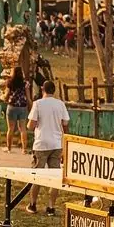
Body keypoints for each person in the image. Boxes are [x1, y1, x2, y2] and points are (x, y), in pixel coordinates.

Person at [26, 80, 69, 215]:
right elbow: (65, 122)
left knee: (36, 175)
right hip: (56, 144)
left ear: (42, 89)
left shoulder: (38, 104)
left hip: (41, 143)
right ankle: (50, 206)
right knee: (55, 175)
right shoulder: (60, 104)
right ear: (54, 90)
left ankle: (33, 204)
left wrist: (36, 124)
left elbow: (30, 125)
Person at [4, 66, 30, 153]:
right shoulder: (25, 83)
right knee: (23, 128)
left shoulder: (10, 83)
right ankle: (24, 149)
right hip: (22, 107)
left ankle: (9, 148)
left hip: (12, 106)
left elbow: (6, 96)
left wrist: (5, 99)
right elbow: (28, 97)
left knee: (10, 128)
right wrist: (31, 106)